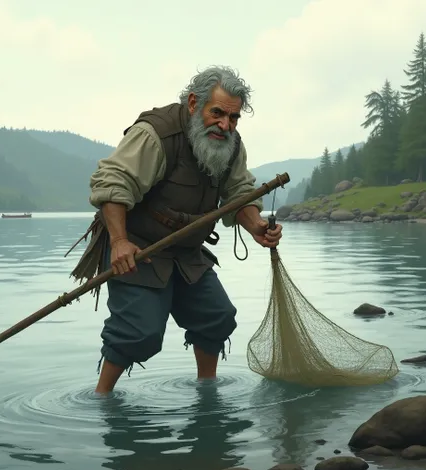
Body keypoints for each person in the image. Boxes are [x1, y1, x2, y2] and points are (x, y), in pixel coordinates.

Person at [88, 66, 283, 394]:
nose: (225, 125)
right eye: (218, 113)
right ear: (194, 103)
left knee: (217, 317)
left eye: (233, 118)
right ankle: (101, 398)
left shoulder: (230, 145)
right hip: (138, 247)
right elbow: (112, 181)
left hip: (187, 251)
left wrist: (256, 227)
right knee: (139, 334)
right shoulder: (156, 134)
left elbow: (239, 194)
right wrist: (119, 241)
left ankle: (207, 390)